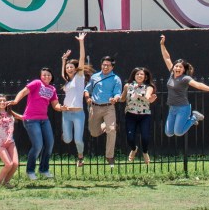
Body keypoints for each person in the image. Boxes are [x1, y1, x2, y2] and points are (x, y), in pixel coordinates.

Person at [8, 67, 66, 180]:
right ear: (40, 76)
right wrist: (15, 101)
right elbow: (23, 91)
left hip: (44, 120)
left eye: (48, 74)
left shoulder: (52, 89)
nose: (46, 76)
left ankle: (44, 169)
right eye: (44, 75)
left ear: (51, 76)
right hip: (31, 120)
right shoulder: (36, 83)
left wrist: (62, 108)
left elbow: (55, 105)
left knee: (49, 144)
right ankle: (30, 171)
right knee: (38, 145)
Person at [160, 35, 209, 137]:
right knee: (169, 133)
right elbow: (166, 57)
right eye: (176, 66)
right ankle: (191, 119)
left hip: (183, 108)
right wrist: (162, 45)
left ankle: (194, 118)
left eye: (180, 67)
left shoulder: (185, 78)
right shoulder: (171, 73)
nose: (178, 68)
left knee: (178, 132)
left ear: (184, 70)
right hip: (172, 107)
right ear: (174, 67)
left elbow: (198, 85)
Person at [84, 55, 123, 167]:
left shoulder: (116, 79)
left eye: (108, 65)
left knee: (111, 130)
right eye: (103, 64)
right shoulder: (95, 77)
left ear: (112, 67)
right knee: (94, 133)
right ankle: (106, 125)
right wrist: (87, 97)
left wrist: (115, 98)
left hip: (108, 107)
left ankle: (110, 156)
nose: (105, 67)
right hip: (95, 107)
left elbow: (117, 93)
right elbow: (87, 89)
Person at [60, 31, 91, 167]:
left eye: (71, 67)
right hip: (66, 113)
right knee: (67, 140)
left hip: (78, 114)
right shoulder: (67, 81)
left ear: (76, 68)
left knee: (78, 140)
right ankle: (65, 134)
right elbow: (62, 72)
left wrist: (81, 42)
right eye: (67, 68)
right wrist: (63, 60)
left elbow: (82, 58)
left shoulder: (79, 78)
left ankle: (80, 158)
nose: (69, 69)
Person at [120, 67, 157, 163]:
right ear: (134, 76)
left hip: (144, 115)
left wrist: (144, 97)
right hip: (130, 114)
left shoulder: (148, 87)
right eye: (137, 74)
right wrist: (115, 98)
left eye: (141, 74)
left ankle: (145, 152)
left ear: (145, 77)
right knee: (130, 138)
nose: (139, 76)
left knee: (145, 137)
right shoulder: (128, 86)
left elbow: (148, 96)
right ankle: (133, 149)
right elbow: (123, 98)